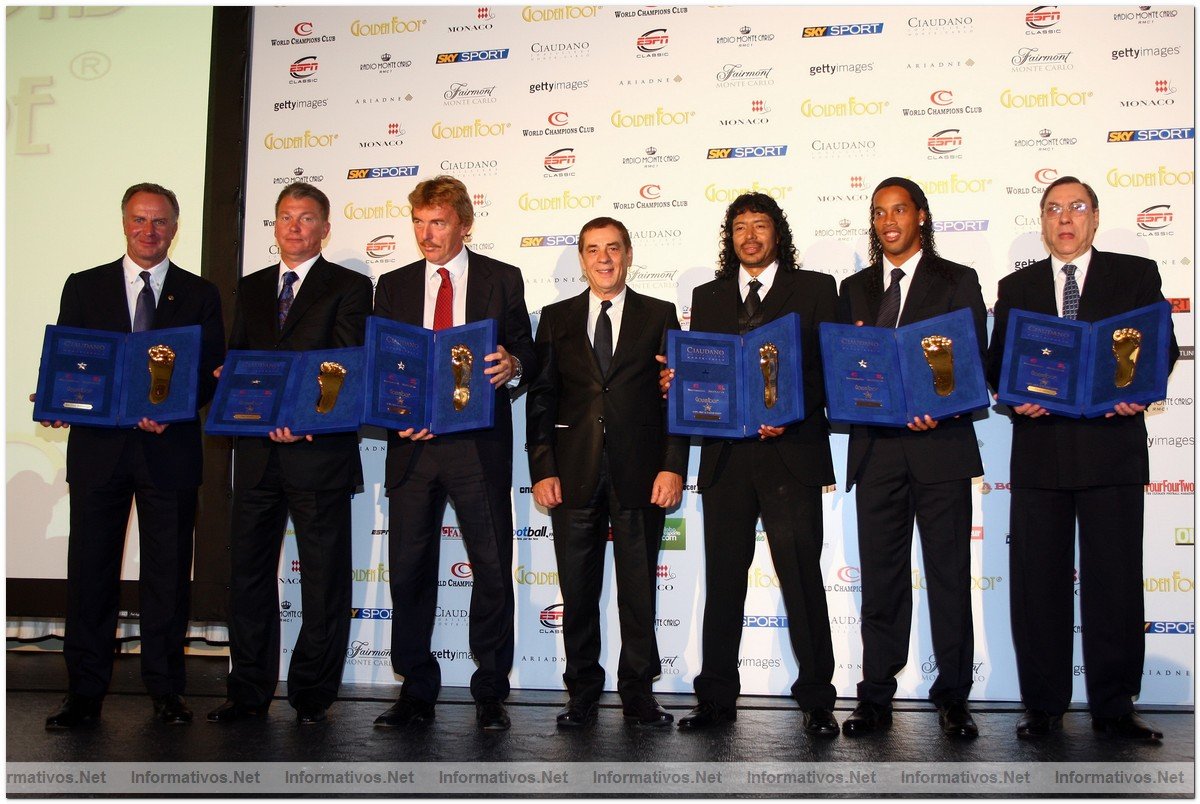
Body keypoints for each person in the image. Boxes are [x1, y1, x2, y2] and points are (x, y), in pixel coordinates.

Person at [986, 176, 1178, 741]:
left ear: (1094, 217)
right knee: (1037, 584)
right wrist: (1019, 399)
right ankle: (1043, 705)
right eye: (1052, 209)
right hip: (1041, 454)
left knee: (1115, 583)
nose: (1064, 219)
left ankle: (1115, 705)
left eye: (1076, 208)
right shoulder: (1015, 287)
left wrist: (1139, 389)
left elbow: (1159, 348)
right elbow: (999, 366)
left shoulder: (1134, 274)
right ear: (1042, 223)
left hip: (1111, 450)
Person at [42, 182, 225, 729]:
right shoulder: (84, 286)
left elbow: (209, 369)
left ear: (176, 226)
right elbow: (72, 362)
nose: (150, 231)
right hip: (99, 450)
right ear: (124, 222)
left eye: (161, 221)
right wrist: (58, 399)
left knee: (167, 578)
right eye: (140, 220)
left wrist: (174, 408)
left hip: (168, 451)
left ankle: (166, 691)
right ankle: (84, 693)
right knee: (90, 572)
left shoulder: (199, 293)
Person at [670, 193, 841, 737]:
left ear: (777, 233)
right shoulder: (709, 295)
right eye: (739, 227)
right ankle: (716, 699)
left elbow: (830, 368)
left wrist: (788, 411)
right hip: (725, 459)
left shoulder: (815, 289)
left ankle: (817, 700)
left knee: (801, 580)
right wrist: (678, 386)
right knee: (723, 582)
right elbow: (705, 373)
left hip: (789, 456)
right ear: (730, 236)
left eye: (759, 225)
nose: (749, 236)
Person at [372, 175, 536, 732]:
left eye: (437, 223)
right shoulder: (391, 286)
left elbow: (527, 352)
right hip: (414, 450)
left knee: (490, 568)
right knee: (410, 571)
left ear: (464, 224)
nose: (426, 234)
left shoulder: (500, 278)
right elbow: (383, 370)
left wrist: (513, 365)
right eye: (418, 223)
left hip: (477, 446)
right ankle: (415, 688)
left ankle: (491, 689)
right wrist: (399, 417)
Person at [207, 182, 372, 726]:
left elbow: (345, 365)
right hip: (256, 456)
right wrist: (227, 383)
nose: (294, 227)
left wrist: (303, 420)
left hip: (317, 452)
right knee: (249, 576)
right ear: (274, 226)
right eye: (285, 217)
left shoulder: (350, 286)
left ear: (326, 228)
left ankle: (311, 695)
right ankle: (248, 690)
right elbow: (239, 357)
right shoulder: (252, 287)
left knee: (323, 580)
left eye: (306, 218)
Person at [836, 177, 987, 739]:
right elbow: (840, 369)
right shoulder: (851, 290)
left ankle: (953, 696)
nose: (888, 221)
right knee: (881, 580)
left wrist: (940, 408)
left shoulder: (957, 280)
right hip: (876, 452)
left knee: (949, 576)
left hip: (939, 449)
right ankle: (875, 696)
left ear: (920, 216)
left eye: (899, 210)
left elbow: (969, 364)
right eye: (879, 213)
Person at [526, 217, 688, 728]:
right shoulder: (554, 317)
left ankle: (638, 693)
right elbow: (541, 397)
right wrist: (542, 467)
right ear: (581, 258)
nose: (603, 258)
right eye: (593, 249)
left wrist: (673, 466)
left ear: (629, 253)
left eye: (613, 248)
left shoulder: (660, 314)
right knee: (577, 592)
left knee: (639, 592)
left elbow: (677, 397)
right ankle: (583, 693)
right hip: (572, 473)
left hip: (641, 473)